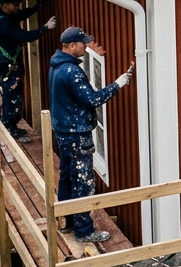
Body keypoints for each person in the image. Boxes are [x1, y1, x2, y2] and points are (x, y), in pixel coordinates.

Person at [48, 27, 133, 243]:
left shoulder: (56, 66)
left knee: (67, 176)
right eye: (82, 43)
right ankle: (84, 231)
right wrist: (118, 84)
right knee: (83, 182)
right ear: (71, 46)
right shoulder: (71, 72)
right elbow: (93, 99)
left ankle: (65, 220)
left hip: (63, 131)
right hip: (76, 134)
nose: (85, 47)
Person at [0, 0, 56, 142]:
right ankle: (9, 129)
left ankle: (11, 126)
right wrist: (45, 28)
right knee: (11, 97)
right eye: (15, 5)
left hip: (8, 64)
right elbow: (25, 36)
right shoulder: (3, 23)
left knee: (12, 96)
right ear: (5, 5)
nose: (17, 8)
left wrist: (37, 6)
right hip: (8, 65)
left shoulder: (4, 16)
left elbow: (21, 14)